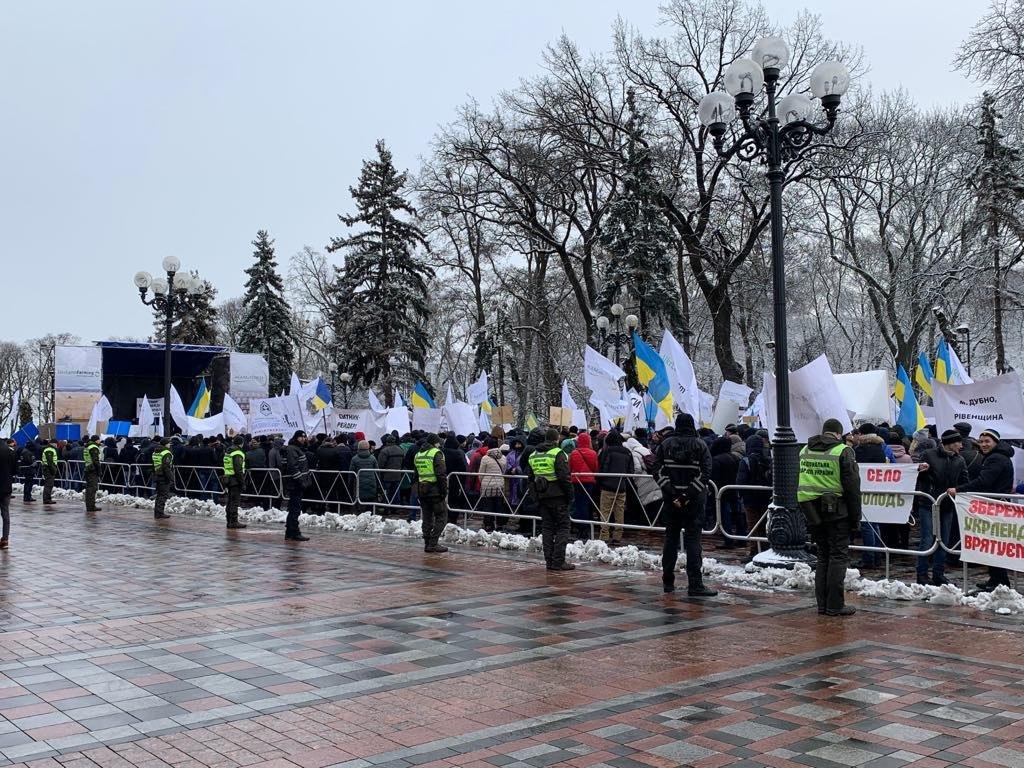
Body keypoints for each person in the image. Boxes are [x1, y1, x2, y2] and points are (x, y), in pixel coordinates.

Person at [798, 418, 862, 617]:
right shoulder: (842, 451)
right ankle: (835, 605)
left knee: (823, 556)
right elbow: (852, 488)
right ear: (838, 434)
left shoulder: (804, 450)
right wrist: (855, 518)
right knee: (838, 556)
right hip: (837, 512)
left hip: (812, 510)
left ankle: (822, 604)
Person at [653, 414, 716, 597]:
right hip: (694, 501)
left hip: (671, 501)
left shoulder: (665, 445)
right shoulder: (700, 445)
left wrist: (672, 492)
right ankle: (695, 584)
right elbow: (706, 472)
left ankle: (668, 582)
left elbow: (656, 471)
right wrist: (688, 495)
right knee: (693, 541)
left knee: (670, 540)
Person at [948, 427, 1015, 592]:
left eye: (987, 441)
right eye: (981, 441)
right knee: (992, 544)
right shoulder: (996, 456)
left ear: (996, 442)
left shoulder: (996, 458)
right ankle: (996, 579)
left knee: (993, 544)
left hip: (993, 506)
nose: (983, 444)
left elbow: (984, 481)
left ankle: (1000, 582)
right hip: (993, 504)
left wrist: (960, 489)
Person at [915, 429, 967, 586]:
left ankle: (939, 573)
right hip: (928, 503)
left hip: (947, 505)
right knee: (927, 539)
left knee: (943, 540)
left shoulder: (959, 460)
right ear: (950, 443)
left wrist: (957, 489)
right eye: (959, 442)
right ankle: (922, 574)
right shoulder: (929, 455)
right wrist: (921, 470)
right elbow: (918, 475)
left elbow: (965, 480)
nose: (962, 445)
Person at [526, 428, 574, 571]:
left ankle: (549, 561)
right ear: (557, 439)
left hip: (542, 496)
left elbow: (530, 479)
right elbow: (565, 477)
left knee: (547, 528)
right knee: (563, 527)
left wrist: (535, 496)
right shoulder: (558, 454)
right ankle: (558, 561)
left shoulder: (533, 455)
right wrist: (570, 495)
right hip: (558, 496)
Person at [736, 434, 771, 563]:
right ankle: (765, 547)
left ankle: (754, 550)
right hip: (765, 497)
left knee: (752, 525)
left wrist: (740, 494)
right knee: (763, 524)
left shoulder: (746, 461)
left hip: (750, 498)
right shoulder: (768, 459)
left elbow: (740, 480)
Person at [413, 434, 448, 553]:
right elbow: (441, 474)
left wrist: (416, 492)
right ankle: (433, 543)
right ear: (435, 443)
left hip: (422, 490)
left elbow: (415, 476)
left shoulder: (418, 454)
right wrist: (444, 491)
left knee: (427, 518)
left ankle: (427, 543)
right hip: (435, 490)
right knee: (441, 517)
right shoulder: (436, 453)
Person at [596, 430, 633, 545]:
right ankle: (618, 536)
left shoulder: (607, 451)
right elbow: (630, 471)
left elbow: (603, 467)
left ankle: (604, 535)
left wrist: (600, 481)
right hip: (621, 486)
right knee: (619, 512)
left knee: (605, 512)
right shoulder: (627, 452)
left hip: (607, 486)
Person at [281, 431, 311, 541]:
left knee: (294, 508)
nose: (303, 439)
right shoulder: (292, 449)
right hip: (295, 483)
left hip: (297, 483)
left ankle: (290, 531)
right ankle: (294, 532)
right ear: (296, 437)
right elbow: (292, 467)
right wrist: (301, 481)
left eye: (304, 437)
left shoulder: (297, 449)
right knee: (295, 508)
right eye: (301, 437)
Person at [569, 432, 598, 538]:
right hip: (589, 481)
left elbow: (570, 467)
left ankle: (579, 526)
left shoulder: (574, 453)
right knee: (586, 503)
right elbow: (595, 468)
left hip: (577, 481)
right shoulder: (593, 453)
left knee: (578, 503)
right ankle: (586, 526)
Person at [478, 439, 507, 532]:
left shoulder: (485, 458)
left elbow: (481, 473)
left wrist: (483, 482)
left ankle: (489, 525)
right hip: (499, 484)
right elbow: (504, 471)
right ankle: (499, 524)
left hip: (487, 485)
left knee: (488, 505)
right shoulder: (503, 458)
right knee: (499, 505)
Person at [223, 436, 247, 529]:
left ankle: (229, 520)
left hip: (228, 478)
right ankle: (233, 521)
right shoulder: (237, 452)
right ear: (241, 443)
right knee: (234, 502)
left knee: (230, 501)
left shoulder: (228, 451)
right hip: (235, 480)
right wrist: (242, 482)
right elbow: (238, 469)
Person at [350, 440, 379, 512]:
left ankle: (360, 513)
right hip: (371, 483)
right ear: (368, 447)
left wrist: (350, 484)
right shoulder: (373, 458)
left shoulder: (354, 459)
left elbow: (351, 473)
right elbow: (377, 472)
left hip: (359, 484)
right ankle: (371, 513)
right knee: (370, 501)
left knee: (360, 500)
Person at [151, 438, 173, 519]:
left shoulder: (155, 452)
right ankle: (160, 513)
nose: (170, 444)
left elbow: (153, 464)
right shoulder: (166, 453)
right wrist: (170, 477)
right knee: (163, 495)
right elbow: (166, 467)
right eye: (169, 443)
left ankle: (157, 512)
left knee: (159, 495)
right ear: (166, 444)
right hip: (164, 476)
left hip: (157, 475)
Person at [0, 438, 16, 549]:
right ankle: (5, 539)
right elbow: (15, 471)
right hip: (6, 487)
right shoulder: (10, 451)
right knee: (5, 513)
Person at [83, 435, 103, 512]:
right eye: (99, 440)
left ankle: (89, 505)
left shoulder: (87, 446)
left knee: (89, 488)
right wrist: (99, 470)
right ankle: (91, 506)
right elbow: (95, 460)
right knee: (92, 488)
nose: (99, 441)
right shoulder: (93, 447)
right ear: (96, 440)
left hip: (88, 468)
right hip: (92, 469)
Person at [40, 439, 58, 505]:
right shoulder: (50, 450)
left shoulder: (49, 449)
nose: (57, 445)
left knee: (49, 484)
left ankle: (47, 498)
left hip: (47, 468)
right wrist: (53, 469)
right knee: (49, 484)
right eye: (56, 444)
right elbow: (50, 461)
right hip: (48, 469)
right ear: (53, 444)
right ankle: (47, 499)